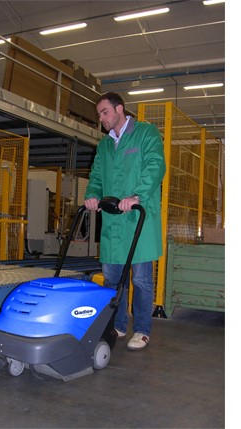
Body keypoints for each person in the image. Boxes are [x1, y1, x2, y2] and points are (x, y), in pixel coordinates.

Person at [84, 92, 166, 351]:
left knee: (141, 280)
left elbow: (155, 165)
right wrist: (92, 195)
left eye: (104, 112)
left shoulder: (145, 133)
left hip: (138, 219)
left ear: (119, 109)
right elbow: (97, 175)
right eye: (99, 114)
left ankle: (142, 329)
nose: (101, 118)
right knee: (112, 278)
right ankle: (117, 325)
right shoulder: (105, 145)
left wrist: (137, 195)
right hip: (113, 221)